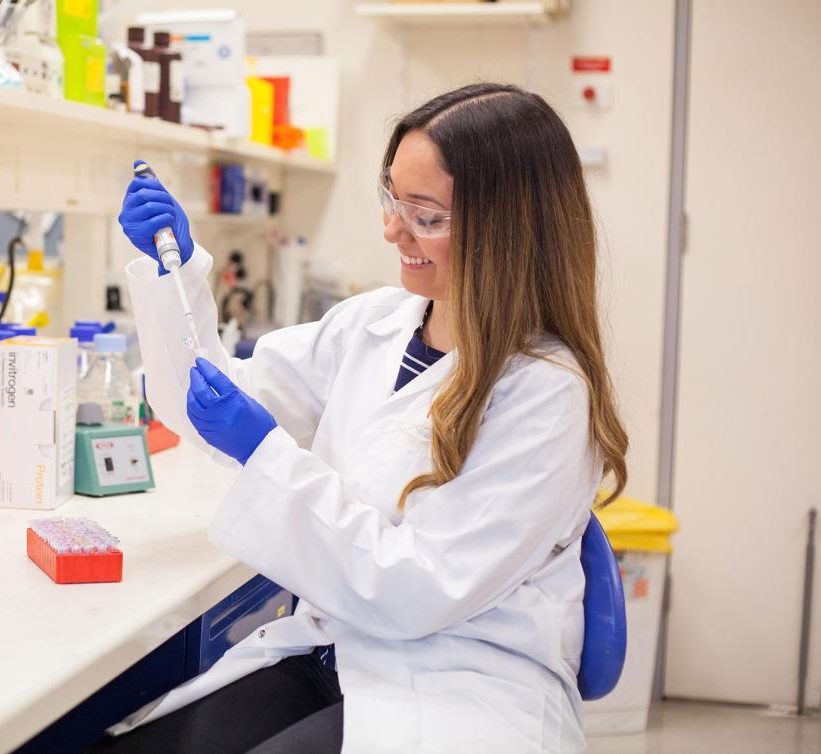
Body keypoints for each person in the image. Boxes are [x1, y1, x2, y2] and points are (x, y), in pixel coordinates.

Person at [93, 82, 629, 754]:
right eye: (391, 199)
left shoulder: (546, 394)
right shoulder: (374, 324)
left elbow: (414, 589)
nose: (392, 230)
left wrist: (265, 452)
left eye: (425, 215)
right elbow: (206, 402)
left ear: (506, 231)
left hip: (461, 683)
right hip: (335, 649)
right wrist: (172, 273)